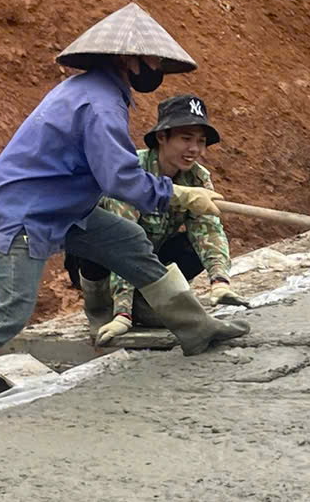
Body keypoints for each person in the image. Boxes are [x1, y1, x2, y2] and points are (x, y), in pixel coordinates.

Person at [0, 4, 248, 431]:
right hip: (25, 211)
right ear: (130, 59)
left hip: (63, 205)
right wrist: (177, 194)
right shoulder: (100, 104)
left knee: (129, 241)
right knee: (12, 310)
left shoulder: (97, 91)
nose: (158, 68)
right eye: (154, 59)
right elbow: (119, 177)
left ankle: (195, 328)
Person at [70, 92, 240, 347]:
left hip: (149, 261)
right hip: (109, 264)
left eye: (201, 141)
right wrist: (122, 314)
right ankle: (105, 311)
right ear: (162, 137)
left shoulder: (197, 178)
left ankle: (148, 306)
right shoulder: (132, 174)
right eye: (185, 139)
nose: (194, 149)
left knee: (190, 246)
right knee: (100, 244)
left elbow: (208, 229)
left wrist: (219, 281)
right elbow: (121, 245)